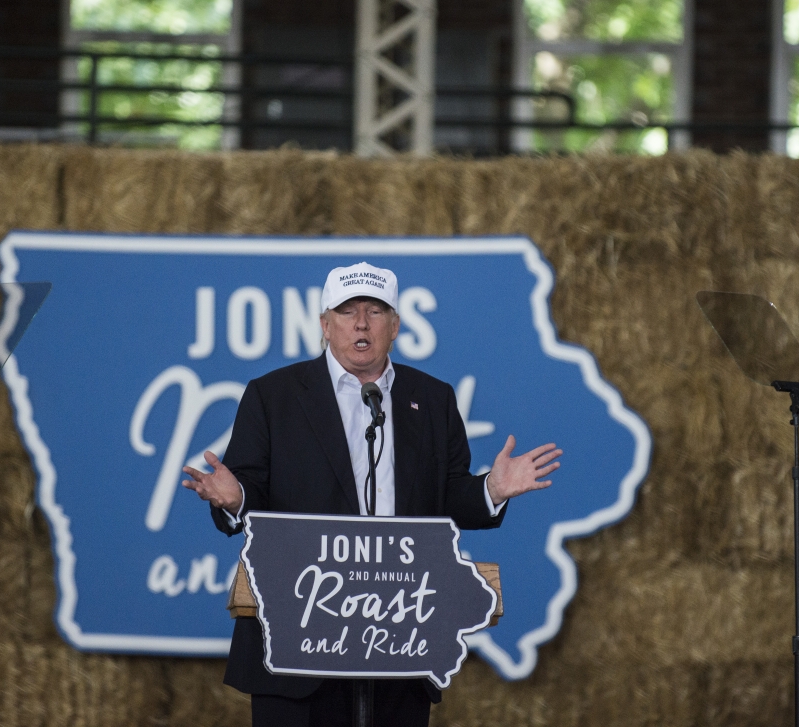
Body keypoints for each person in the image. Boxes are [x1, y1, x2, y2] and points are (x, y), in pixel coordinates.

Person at [182, 262, 562, 727]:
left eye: (375, 310)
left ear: (396, 325)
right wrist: (236, 497)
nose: (361, 323)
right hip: (299, 648)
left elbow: (448, 498)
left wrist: (491, 489)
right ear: (325, 324)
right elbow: (250, 494)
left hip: (399, 643)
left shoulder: (432, 399)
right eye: (347, 311)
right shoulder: (273, 395)